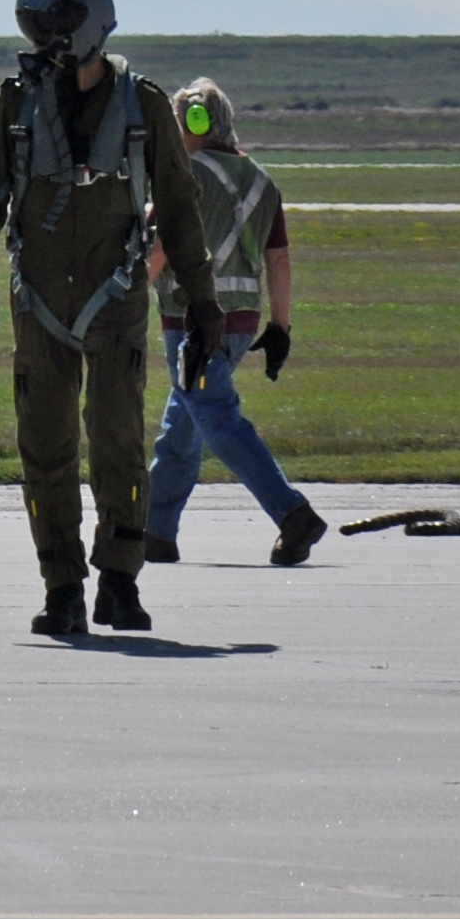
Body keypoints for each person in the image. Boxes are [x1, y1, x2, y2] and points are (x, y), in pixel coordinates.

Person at [0, 0, 224, 640]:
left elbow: (181, 207)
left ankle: (120, 582)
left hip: (117, 296)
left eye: (53, 31)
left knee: (118, 444)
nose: (44, 45)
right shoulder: (15, 106)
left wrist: (204, 299)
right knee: (44, 449)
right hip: (38, 299)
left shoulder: (144, 107)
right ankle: (63, 588)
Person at [143, 77, 327, 568]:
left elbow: (159, 251)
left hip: (192, 321)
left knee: (218, 421)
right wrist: (281, 327)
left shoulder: (182, 176)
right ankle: (154, 532)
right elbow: (279, 258)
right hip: (243, 323)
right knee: (183, 425)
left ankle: (294, 515)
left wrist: (128, 290)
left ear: (192, 123)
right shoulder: (263, 181)